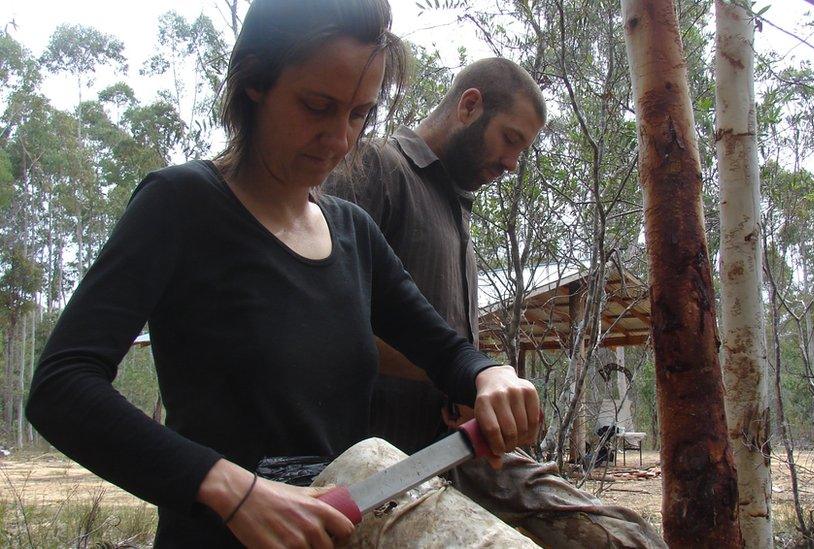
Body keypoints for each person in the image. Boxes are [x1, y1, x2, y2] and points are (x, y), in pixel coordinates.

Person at [25, 2, 539, 547]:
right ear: (255, 81)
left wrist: (491, 376)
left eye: (359, 114)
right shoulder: (179, 206)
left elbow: (445, 351)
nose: (340, 139)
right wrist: (228, 488)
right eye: (317, 106)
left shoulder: (354, 234)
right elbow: (62, 387)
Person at [324, 58, 665, 548]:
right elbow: (329, 322)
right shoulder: (377, 169)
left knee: (625, 536)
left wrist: (472, 386)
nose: (512, 164)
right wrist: (463, 376)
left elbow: (453, 344)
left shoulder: (456, 211)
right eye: (510, 139)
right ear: (469, 106)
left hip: (459, 452)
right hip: (378, 465)